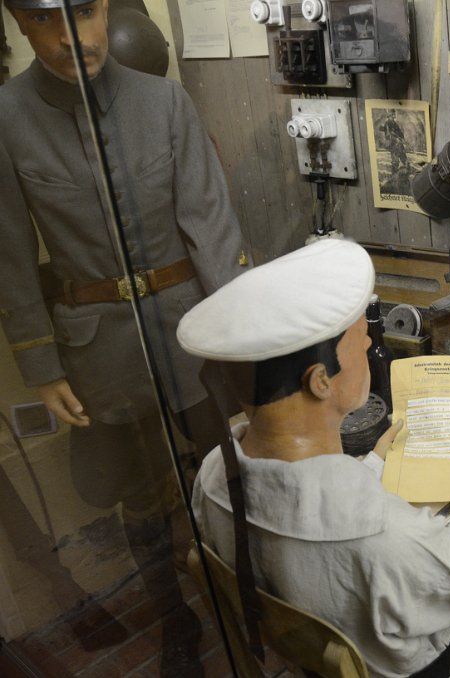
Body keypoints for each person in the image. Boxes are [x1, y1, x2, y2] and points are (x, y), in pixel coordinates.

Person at [182, 239, 450, 678]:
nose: (369, 345)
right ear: (321, 381)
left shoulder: (212, 478)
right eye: (360, 342)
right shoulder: (382, 534)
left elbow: (297, 515)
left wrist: (374, 464)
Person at [0, 0, 249, 672]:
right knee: (139, 499)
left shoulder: (164, 102)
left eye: (83, 12)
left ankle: (248, 605)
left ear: (104, 8)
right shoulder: (7, 119)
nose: (70, 36)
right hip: (100, 352)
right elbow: (10, 256)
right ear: (19, 22)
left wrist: (240, 341)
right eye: (45, 19)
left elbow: (212, 230)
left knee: (230, 474)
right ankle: (175, 622)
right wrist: (42, 365)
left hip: (190, 335)